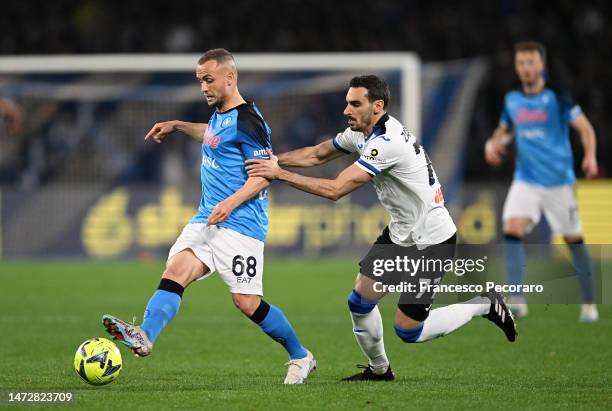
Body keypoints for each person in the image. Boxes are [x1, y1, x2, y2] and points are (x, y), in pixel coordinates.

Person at [246, 75, 517, 381]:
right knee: (359, 302)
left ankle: (483, 305)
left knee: (409, 330)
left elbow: (336, 190)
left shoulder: (387, 143)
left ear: (377, 106)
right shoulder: (360, 133)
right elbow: (316, 154)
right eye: (347, 102)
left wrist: (278, 173)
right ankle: (379, 370)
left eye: (355, 104)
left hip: (431, 241)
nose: (347, 109)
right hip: (401, 234)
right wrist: (270, 160)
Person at [102, 48, 316, 384]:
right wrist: (177, 125)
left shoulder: (249, 121)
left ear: (230, 78)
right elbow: (213, 134)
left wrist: (231, 203)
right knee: (176, 270)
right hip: (207, 218)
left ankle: (301, 356)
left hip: (242, 224)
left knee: (246, 302)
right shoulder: (221, 115)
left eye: (209, 79)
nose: (203, 87)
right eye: (200, 80)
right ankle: (145, 334)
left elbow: (264, 173)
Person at [484, 41, 598, 322]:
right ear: (516, 66)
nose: (526, 68)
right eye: (521, 63)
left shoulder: (558, 98)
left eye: (531, 62)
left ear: (541, 66)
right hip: (526, 180)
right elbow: (505, 129)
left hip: (559, 182)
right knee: (512, 227)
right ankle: (518, 299)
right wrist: (493, 143)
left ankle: (589, 302)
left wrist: (591, 156)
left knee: (573, 240)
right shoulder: (512, 100)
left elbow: (584, 128)